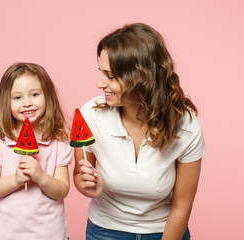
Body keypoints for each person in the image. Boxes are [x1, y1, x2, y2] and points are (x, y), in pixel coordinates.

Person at [73, 23, 206, 240]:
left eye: (111, 76)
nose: (99, 83)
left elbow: (182, 206)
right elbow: (80, 175)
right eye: (101, 72)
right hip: (104, 231)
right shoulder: (90, 115)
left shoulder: (187, 126)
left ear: (141, 77)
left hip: (164, 231)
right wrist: (87, 185)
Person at [0, 62, 72, 240]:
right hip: (8, 235)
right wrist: (16, 179)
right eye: (17, 98)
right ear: (5, 102)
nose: (27, 103)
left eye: (35, 94)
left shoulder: (57, 141)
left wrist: (41, 177)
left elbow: (62, 190)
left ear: (48, 96)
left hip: (51, 235)